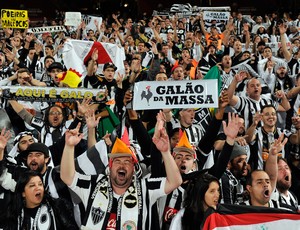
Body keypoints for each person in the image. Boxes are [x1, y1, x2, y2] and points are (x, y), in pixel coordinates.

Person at [60, 118, 182, 229]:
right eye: (117, 161)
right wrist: (69, 146)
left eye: (127, 162)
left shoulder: (145, 188)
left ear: (134, 168)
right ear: (111, 166)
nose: (122, 165)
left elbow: (175, 181)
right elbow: (67, 177)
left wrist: (165, 152)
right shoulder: (93, 185)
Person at [5, 170, 78, 229]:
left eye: (40, 184)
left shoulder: (57, 206)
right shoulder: (14, 214)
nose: (38, 188)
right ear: (23, 193)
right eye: (32, 185)